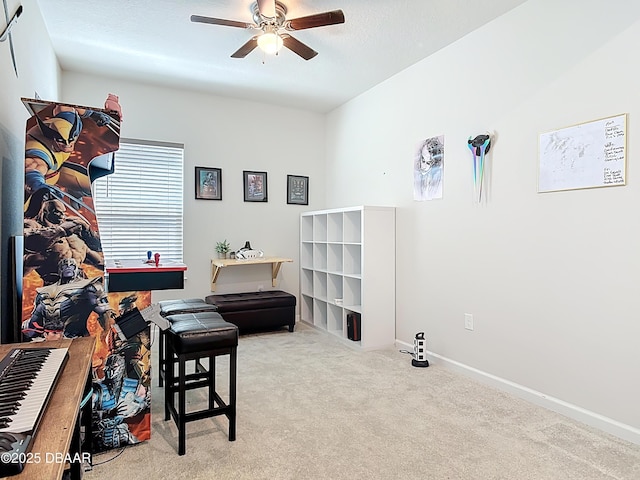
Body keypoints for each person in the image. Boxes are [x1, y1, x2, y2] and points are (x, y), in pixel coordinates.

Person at [24, 103, 114, 217]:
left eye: (71, 140)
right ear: (52, 139)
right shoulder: (38, 147)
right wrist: (39, 187)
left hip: (59, 170)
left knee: (94, 187)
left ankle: (75, 191)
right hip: (44, 180)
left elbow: (66, 107)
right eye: (61, 141)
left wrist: (92, 114)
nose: (67, 145)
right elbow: (31, 167)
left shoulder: (69, 121)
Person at [22, 258, 113, 340]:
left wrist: (108, 335)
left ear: (76, 269)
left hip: (76, 339)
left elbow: (105, 312)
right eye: (65, 266)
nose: (68, 267)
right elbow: (35, 321)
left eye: (71, 266)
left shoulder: (87, 287)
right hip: (48, 340)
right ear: (59, 270)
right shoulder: (44, 291)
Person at [414, 136, 444, 201]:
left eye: (428, 163)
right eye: (423, 160)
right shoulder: (416, 176)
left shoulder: (436, 181)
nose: (424, 166)